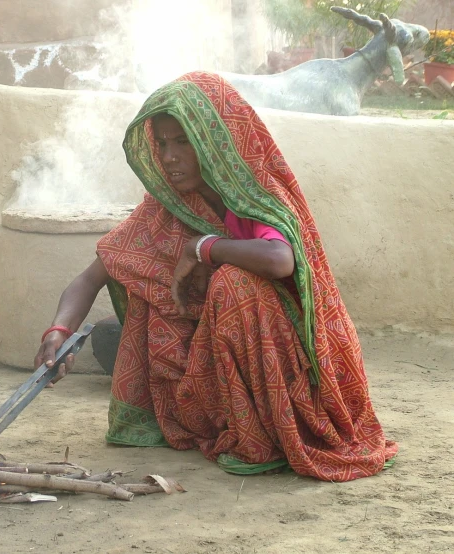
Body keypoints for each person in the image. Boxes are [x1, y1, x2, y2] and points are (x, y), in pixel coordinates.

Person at [33, 71, 397, 481]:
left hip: (290, 372)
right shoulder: (166, 207)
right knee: (147, 303)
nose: (169, 157)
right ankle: (224, 420)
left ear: (213, 140)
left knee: (234, 283)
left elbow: (280, 260)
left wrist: (202, 247)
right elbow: (90, 277)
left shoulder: (256, 197)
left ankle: (264, 430)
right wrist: (59, 333)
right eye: (164, 143)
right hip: (208, 373)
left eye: (183, 141)